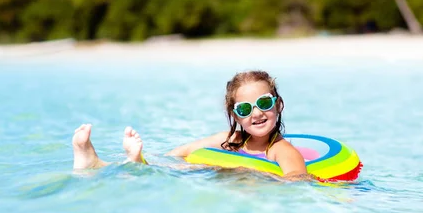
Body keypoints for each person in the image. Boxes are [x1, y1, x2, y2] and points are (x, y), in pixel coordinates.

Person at [72, 70, 310, 178]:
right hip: (214, 175)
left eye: (264, 103)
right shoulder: (232, 139)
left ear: (278, 105)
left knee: (195, 169)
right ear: (236, 117)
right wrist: (157, 158)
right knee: (181, 167)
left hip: (249, 184)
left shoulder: (282, 151)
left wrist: (246, 169)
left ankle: (133, 167)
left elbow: (296, 184)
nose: (256, 113)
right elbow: (182, 152)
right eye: (245, 109)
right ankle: (97, 163)